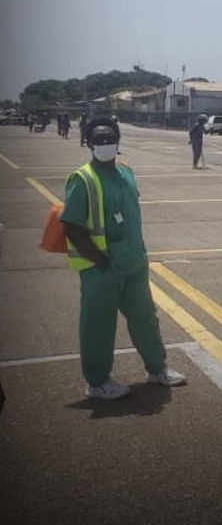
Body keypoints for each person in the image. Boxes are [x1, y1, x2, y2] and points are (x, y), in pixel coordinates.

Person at [61, 120, 187, 399]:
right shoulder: (82, 179)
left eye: (109, 139)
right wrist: (99, 259)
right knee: (98, 325)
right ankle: (97, 382)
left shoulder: (126, 173)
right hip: (101, 268)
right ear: (89, 143)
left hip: (133, 263)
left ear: (118, 141)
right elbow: (71, 224)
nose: (105, 144)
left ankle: (157, 369)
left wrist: (139, 254)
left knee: (145, 318)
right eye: (99, 139)